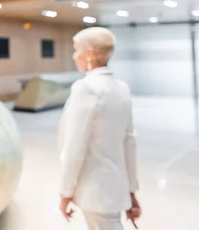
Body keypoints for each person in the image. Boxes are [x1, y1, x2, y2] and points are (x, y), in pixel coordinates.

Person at [58, 27, 141, 230]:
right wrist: (130, 191)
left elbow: (74, 148)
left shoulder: (85, 89)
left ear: (89, 53)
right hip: (116, 188)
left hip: (94, 190)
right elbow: (129, 142)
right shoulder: (121, 87)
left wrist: (65, 192)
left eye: (76, 50)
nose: (74, 55)